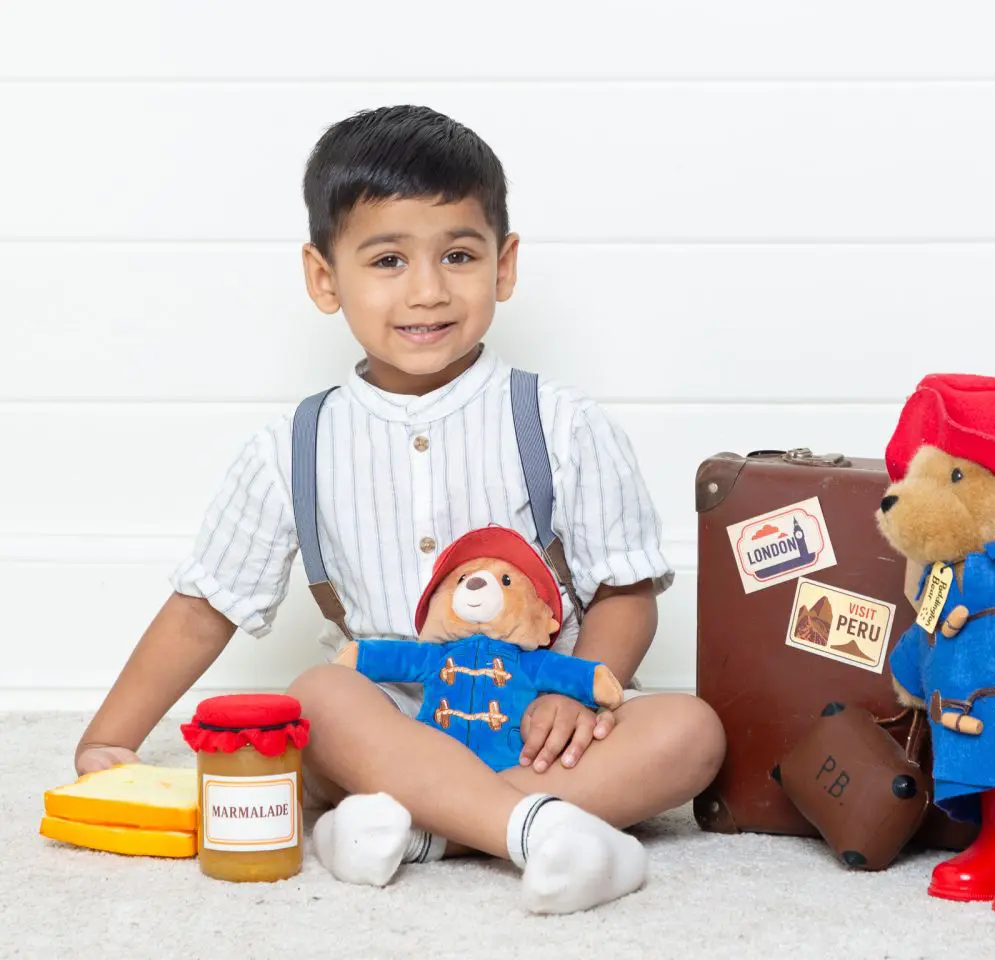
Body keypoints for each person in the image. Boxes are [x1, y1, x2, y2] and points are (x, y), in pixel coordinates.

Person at [73, 104, 726, 914]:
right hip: (374, 729)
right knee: (317, 696)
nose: (427, 290)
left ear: (504, 265)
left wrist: (577, 694)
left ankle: (428, 833)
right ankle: (535, 832)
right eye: (387, 259)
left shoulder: (561, 423)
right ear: (324, 277)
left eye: (458, 254)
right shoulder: (294, 446)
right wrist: (111, 736)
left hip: (529, 718)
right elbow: (204, 606)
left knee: (692, 729)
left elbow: (625, 591)